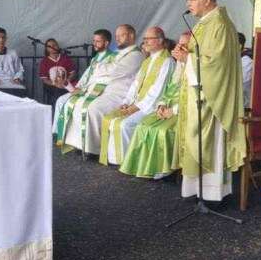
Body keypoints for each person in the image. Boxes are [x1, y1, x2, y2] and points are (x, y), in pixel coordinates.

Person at [171, 0, 246, 202]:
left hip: (212, 97)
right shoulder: (204, 23)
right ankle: (196, 190)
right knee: (196, 140)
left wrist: (188, 58)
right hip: (198, 94)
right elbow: (202, 54)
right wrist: (186, 52)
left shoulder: (220, 24)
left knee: (210, 143)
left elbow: (217, 64)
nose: (188, 4)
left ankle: (213, 194)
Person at [60, 25, 144, 156]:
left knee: (93, 109)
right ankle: (80, 143)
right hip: (107, 90)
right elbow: (107, 70)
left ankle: (93, 148)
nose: (117, 39)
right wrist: (103, 69)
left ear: (131, 36)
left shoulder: (136, 55)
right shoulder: (120, 53)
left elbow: (115, 71)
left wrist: (99, 67)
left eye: (121, 35)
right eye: (116, 36)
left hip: (120, 93)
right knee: (76, 103)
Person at [119, 32, 191, 179]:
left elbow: (192, 96)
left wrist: (173, 110)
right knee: (143, 126)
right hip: (164, 106)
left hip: (184, 109)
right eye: (179, 44)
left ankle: (164, 169)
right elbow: (169, 88)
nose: (179, 47)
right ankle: (140, 164)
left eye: (184, 45)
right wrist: (162, 104)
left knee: (161, 131)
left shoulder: (171, 62)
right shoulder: (177, 63)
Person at [99, 27, 173, 166]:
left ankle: (130, 163)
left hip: (152, 106)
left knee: (125, 125)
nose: (145, 42)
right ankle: (117, 160)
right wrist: (127, 102)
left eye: (149, 39)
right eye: (144, 39)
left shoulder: (167, 61)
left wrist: (137, 107)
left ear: (160, 40)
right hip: (137, 103)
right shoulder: (147, 61)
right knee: (109, 119)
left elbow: (158, 90)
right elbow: (135, 84)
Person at [54, 29, 117, 147]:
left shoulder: (113, 57)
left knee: (72, 103)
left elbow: (105, 79)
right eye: (94, 40)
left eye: (98, 41)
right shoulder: (95, 58)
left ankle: (78, 140)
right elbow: (86, 76)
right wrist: (72, 86)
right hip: (85, 88)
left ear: (107, 43)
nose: (94, 44)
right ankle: (60, 135)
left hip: (97, 91)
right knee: (61, 100)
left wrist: (82, 90)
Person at [39, 38, 77, 108]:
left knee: (76, 92)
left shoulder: (65, 58)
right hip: (52, 85)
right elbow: (44, 79)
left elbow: (73, 73)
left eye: (54, 45)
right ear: (47, 49)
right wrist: (55, 84)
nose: (53, 47)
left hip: (67, 83)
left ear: (58, 46)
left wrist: (66, 82)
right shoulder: (44, 61)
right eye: (50, 46)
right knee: (57, 93)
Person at [0, 27, 26, 96]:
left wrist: (17, 78)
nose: (1, 40)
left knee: (21, 91)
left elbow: (20, 69)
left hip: (12, 82)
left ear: (6, 39)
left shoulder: (13, 53)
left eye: (3, 37)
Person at [238, 32, 253, 108]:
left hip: (244, 104)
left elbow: (241, 84)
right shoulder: (237, 58)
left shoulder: (247, 61)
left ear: (239, 46)